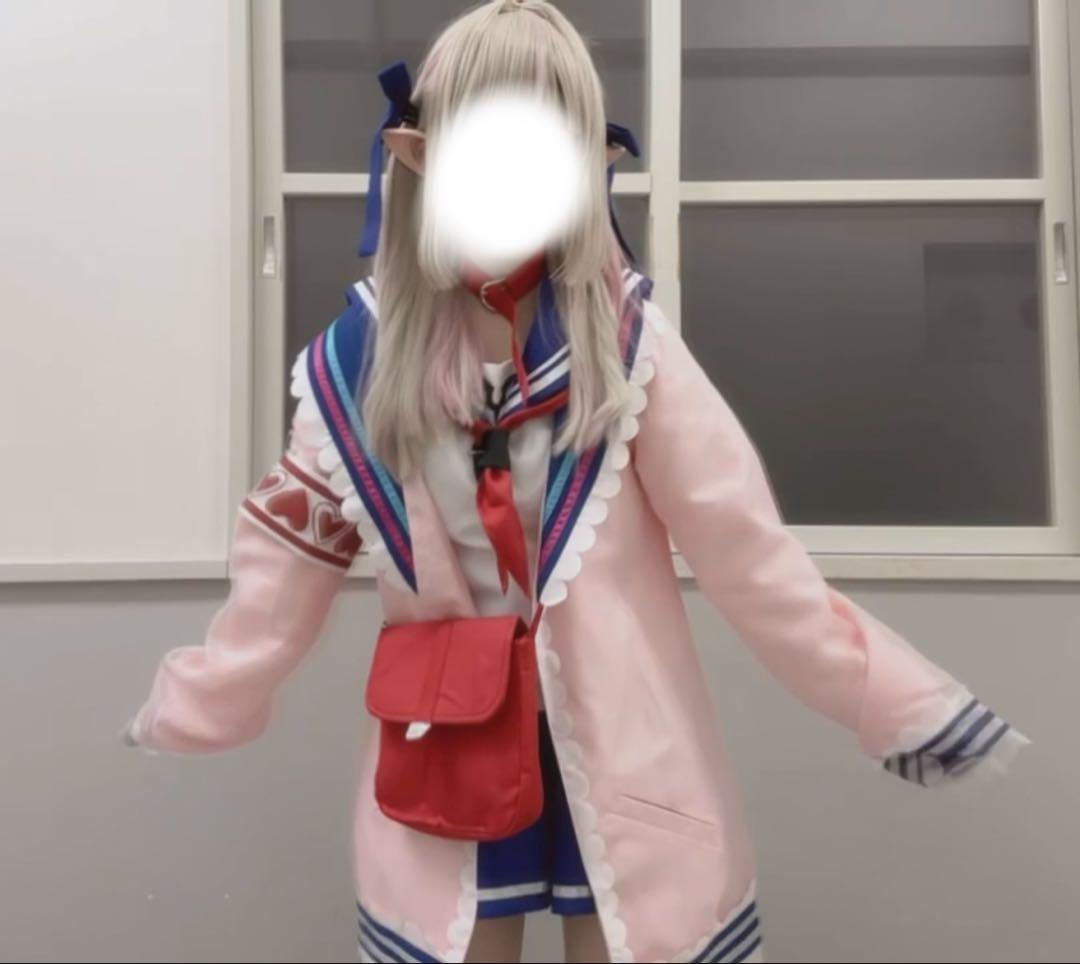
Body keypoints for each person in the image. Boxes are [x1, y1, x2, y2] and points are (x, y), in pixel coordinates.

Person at [122, 3, 1030, 962]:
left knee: (633, 931)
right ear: (420, 153)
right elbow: (286, 558)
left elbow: (747, 554)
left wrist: (890, 700)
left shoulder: (629, 347)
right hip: (448, 738)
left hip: (620, 746)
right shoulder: (357, 361)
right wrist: (207, 694)